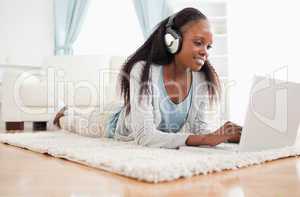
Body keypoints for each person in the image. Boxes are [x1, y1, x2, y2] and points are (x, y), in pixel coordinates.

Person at [52, 7, 242, 149]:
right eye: (198, 43)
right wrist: (205, 139)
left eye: (208, 47)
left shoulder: (200, 78)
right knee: (77, 124)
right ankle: (64, 113)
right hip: (112, 123)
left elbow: (199, 130)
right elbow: (144, 136)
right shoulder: (142, 70)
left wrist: (222, 135)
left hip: (131, 112)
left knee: (96, 112)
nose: (205, 52)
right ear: (172, 40)